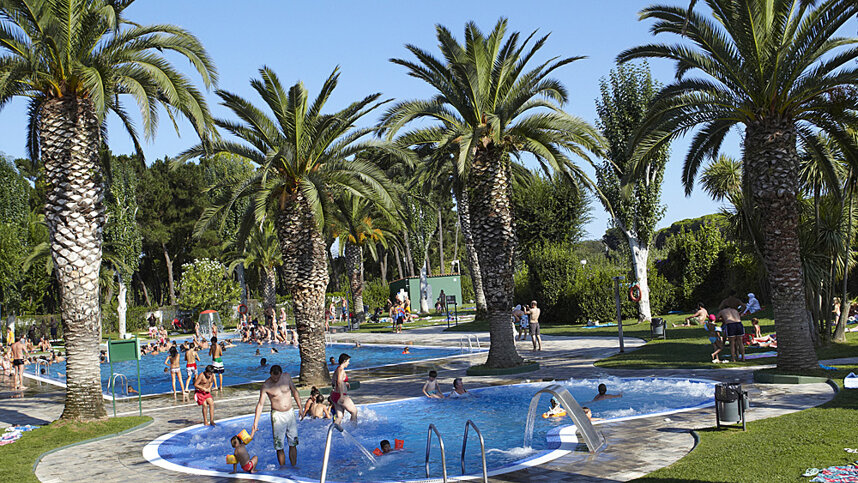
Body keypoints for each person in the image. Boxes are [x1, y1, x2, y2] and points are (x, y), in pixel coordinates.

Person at [250, 365, 303, 467]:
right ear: (270, 374)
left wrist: (300, 407)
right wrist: (255, 423)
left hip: (290, 412)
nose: (275, 379)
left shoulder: (286, 377)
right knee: (279, 445)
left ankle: (294, 466)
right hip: (277, 415)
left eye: (277, 377)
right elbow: (260, 404)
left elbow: (294, 391)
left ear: (280, 373)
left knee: (293, 443)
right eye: (273, 377)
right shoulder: (266, 386)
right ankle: (282, 468)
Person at [331, 353, 358, 424]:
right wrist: (341, 395)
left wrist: (345, 383)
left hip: (335, 395)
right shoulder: (341, 370)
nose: (348, 363)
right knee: (354, 411)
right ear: (344, 361)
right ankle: (353, 429)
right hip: (340, 395)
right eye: (348, 361)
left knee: (339, 416)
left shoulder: (337, 369)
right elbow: (339, 382)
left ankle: (333, 429)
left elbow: (334, 381)